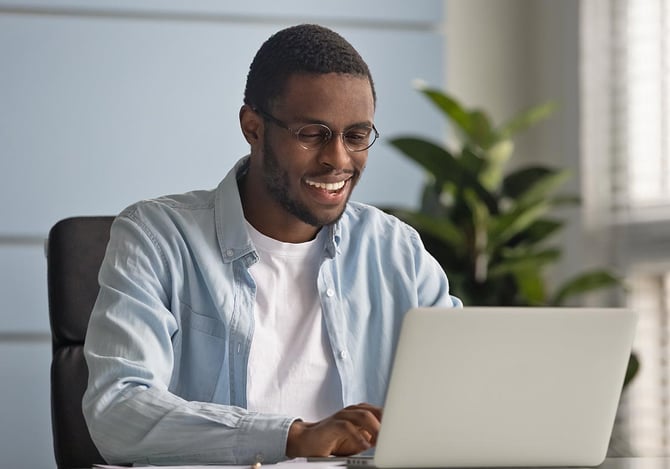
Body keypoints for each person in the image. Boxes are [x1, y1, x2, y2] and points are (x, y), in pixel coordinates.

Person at [82, 23, 462, 466]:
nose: (339, 159)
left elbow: (459, 393)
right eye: (312, 134)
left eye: (356, 136)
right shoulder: (157, 237)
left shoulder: (396, 250)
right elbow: (118, 412)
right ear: (253, 127)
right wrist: (294, 437)